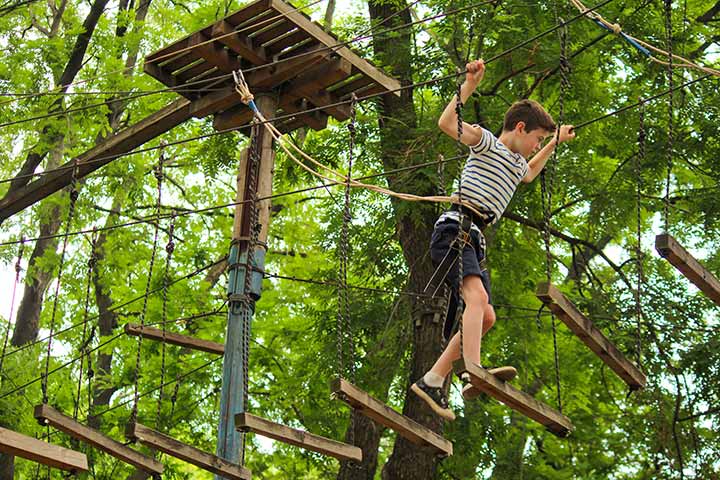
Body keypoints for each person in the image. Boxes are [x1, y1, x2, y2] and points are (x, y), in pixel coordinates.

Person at [411, 59, 576, 421]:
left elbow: (530, 174)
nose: (536, 146)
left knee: (485, 316)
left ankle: (433, 378)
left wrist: (555, 144)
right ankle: (473, 368)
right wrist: (468, 84)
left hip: (473, 238)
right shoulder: (486, 143)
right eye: (537, 139)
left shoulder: (519, 162)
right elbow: (447, 124)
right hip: (455, 229)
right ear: (519, 127)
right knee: (477, 298)